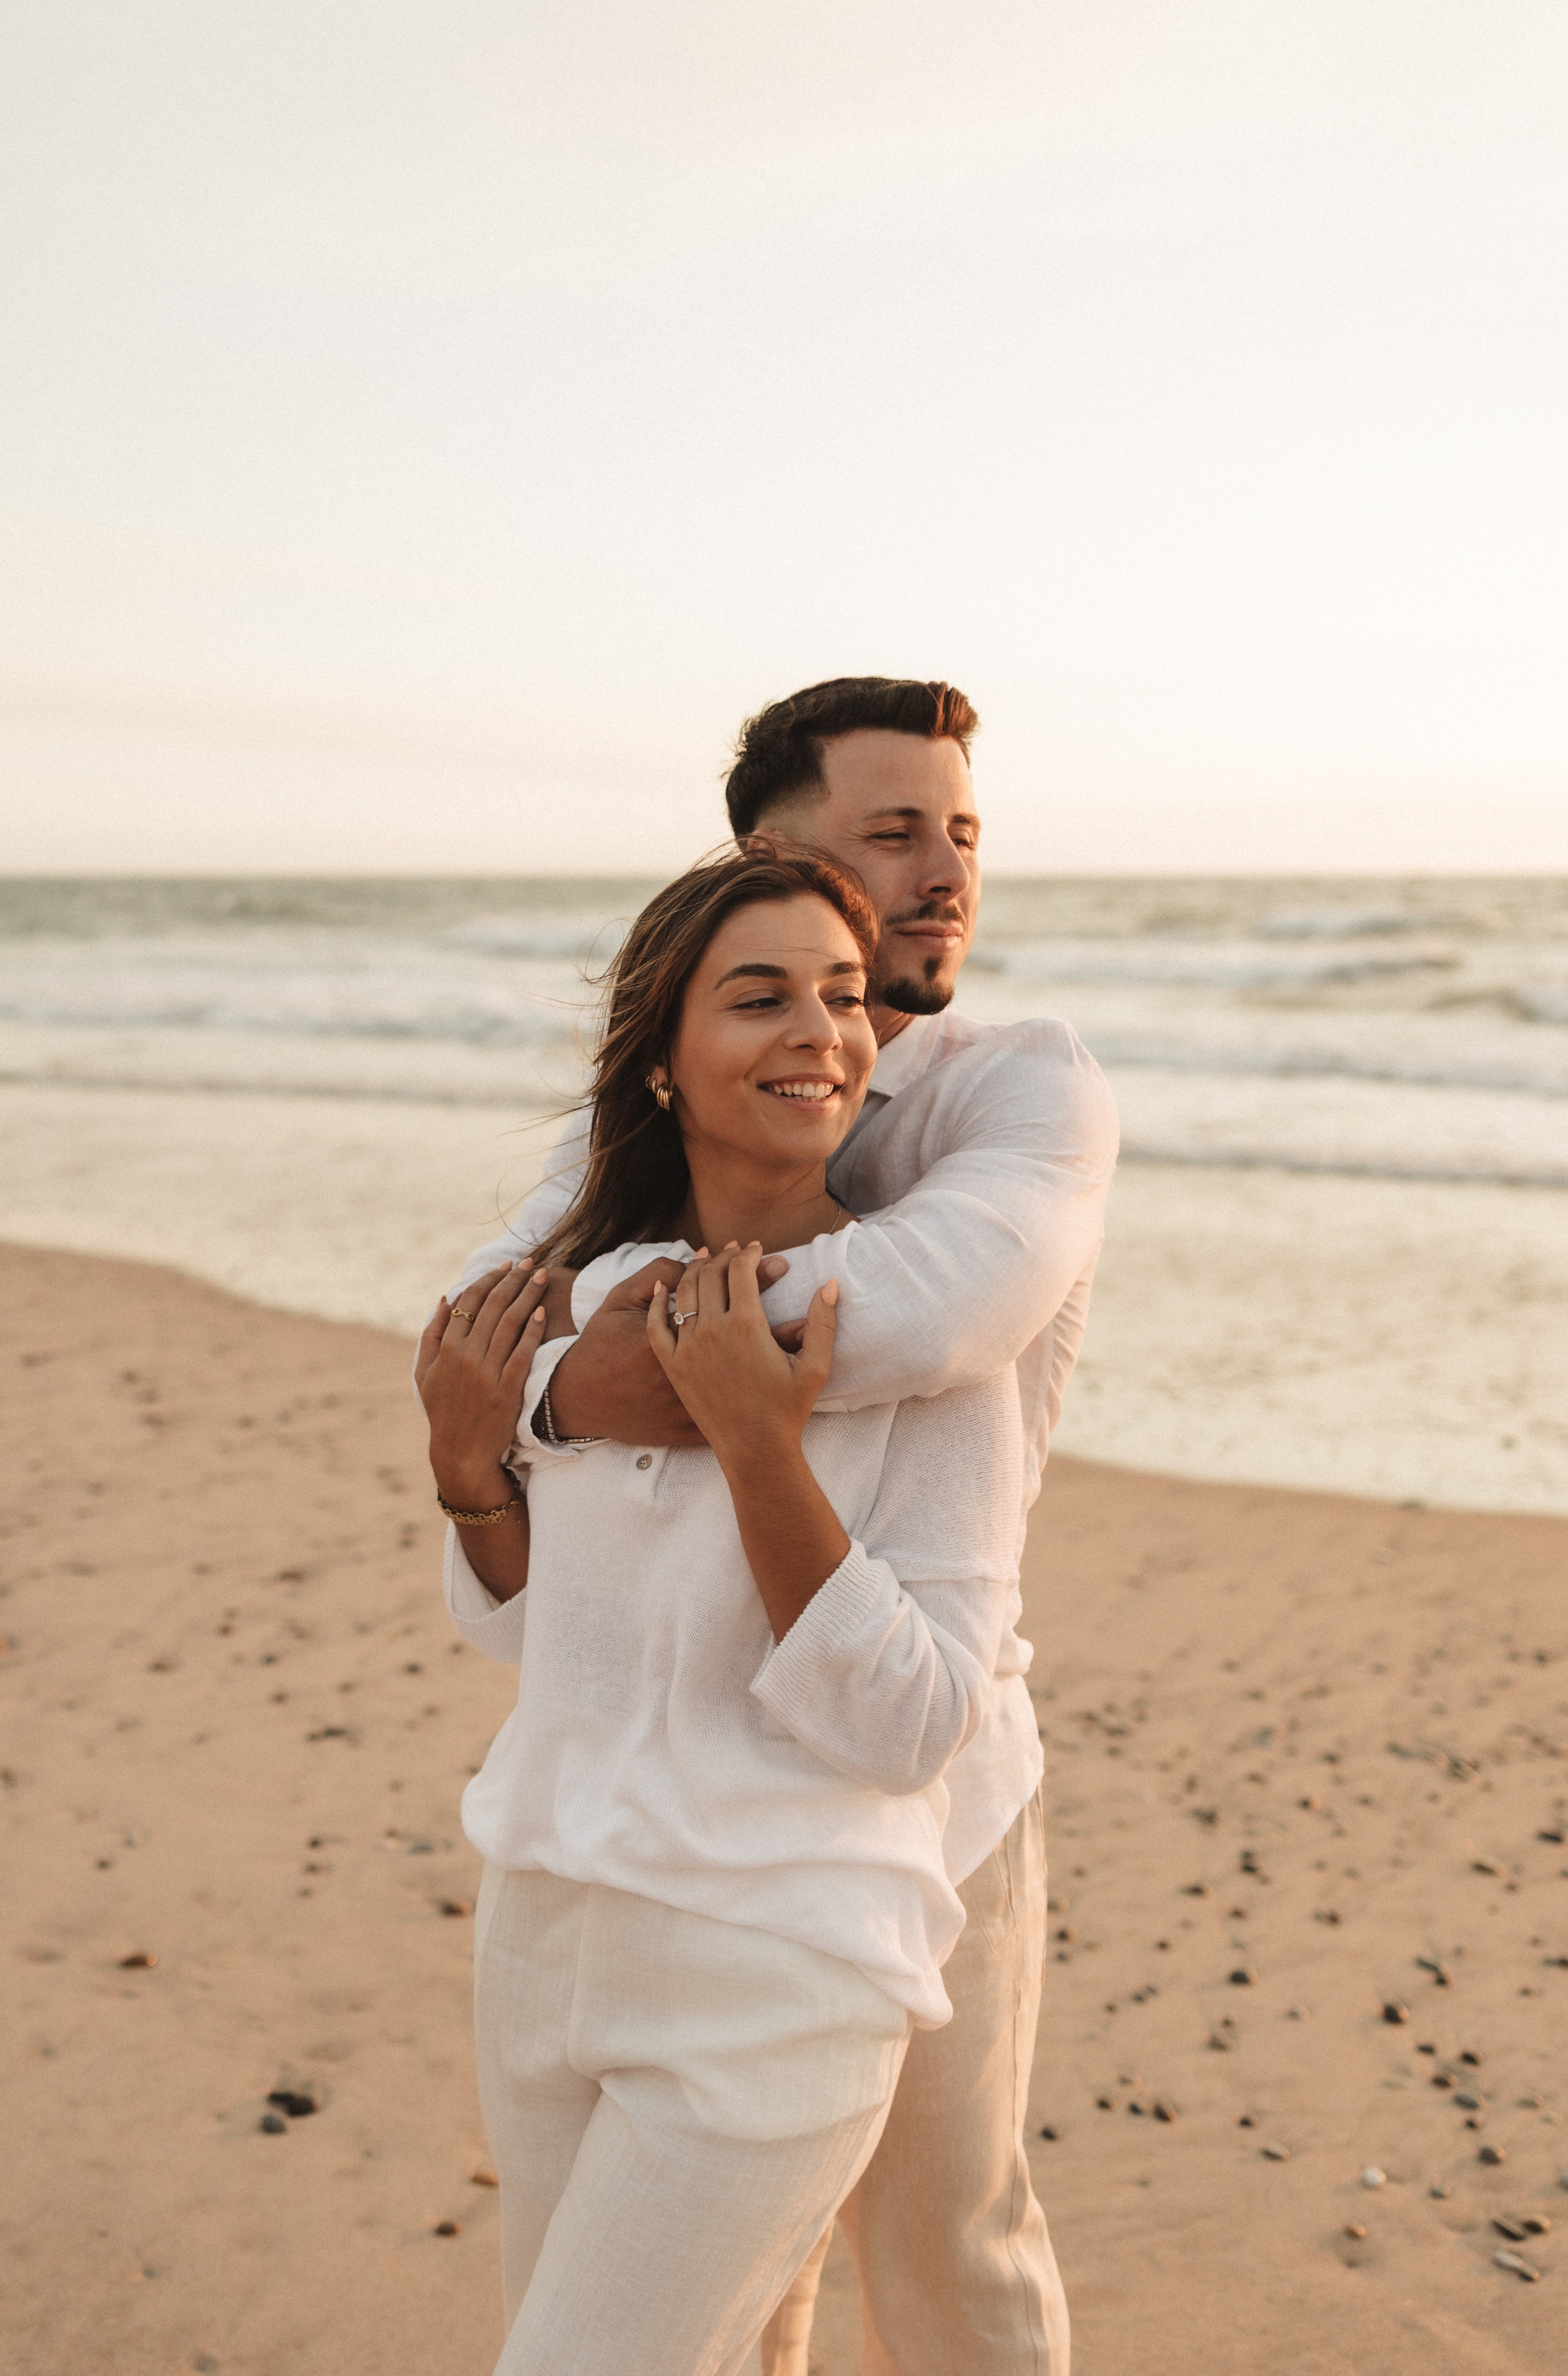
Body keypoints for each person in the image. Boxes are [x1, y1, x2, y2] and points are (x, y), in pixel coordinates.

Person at [444, 678, 1119, 2375]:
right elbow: (483, 1316)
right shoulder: (663, 1150)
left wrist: (599, 1364)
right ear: (771, 850)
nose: (943, 870)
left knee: (948, 2248)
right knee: (732, 2313)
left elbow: (929, 1310)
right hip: (641, 1830)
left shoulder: (1015, 1087)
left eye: (963, 831)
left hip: (938, 1778)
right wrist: (533, 1401)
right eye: (893, 831)